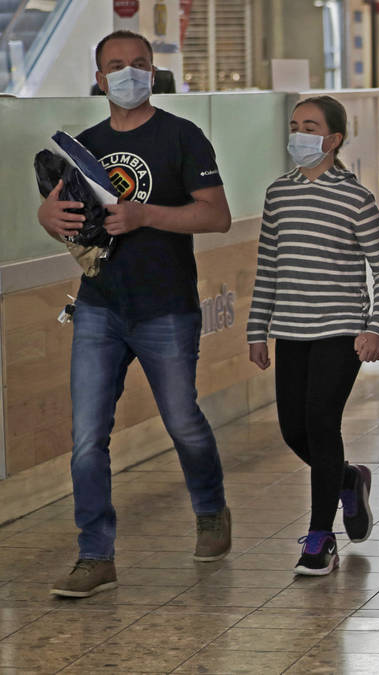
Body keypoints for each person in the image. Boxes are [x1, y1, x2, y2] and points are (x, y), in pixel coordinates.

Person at [36, 30, 232, 598]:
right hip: (99, 307)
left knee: (183, 421)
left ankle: (211, 510)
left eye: (140, 64)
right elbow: (66, 218)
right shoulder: (84, 147)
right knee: (87, 438)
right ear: (99, 79)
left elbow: (216, 216)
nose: (129, 73)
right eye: (116, 65)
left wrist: (146, 215)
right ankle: (95, 555)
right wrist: (47, 218)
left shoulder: (182, 136)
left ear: (153, 73)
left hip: (165, 307)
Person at [246, 96, 379, 576]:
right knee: (293, 430)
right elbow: (268, 267)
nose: (298, 134)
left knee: (320, 421)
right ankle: (347, 480)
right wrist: (256, 330)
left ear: (333, 140)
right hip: (291, 330)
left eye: (310, 127)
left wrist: (375, 328)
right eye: (295, 125)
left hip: (341, 330)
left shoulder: (356, 199)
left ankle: (320, 538)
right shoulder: (278, 194)